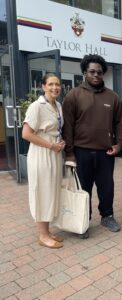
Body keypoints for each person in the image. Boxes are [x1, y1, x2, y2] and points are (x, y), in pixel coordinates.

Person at [62, 54, 122, 238]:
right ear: (84, 72)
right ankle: (83, 221)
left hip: (105, 152)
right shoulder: (73, 95)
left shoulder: (112, 97)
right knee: (84, 189)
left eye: (99, 72)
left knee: (107, 187)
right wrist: (70, 153)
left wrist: (119, 144)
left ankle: (107, 216)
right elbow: (68, 126)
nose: (96, 75)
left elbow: (120, 124)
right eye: (92, 72)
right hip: (81, 152)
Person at [22, 73, 65, 249]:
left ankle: (47, 231)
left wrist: (60, 142)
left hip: (54, 153)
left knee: (51, 192)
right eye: (51, 84)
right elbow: (26, 134)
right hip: (41, 155)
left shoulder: (58, 105)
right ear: (43, 86)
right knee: (42, 192)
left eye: (58, 85)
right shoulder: (36, 107)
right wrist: (50, 145)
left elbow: (55, 129)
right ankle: (43, 235)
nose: (55, 88)